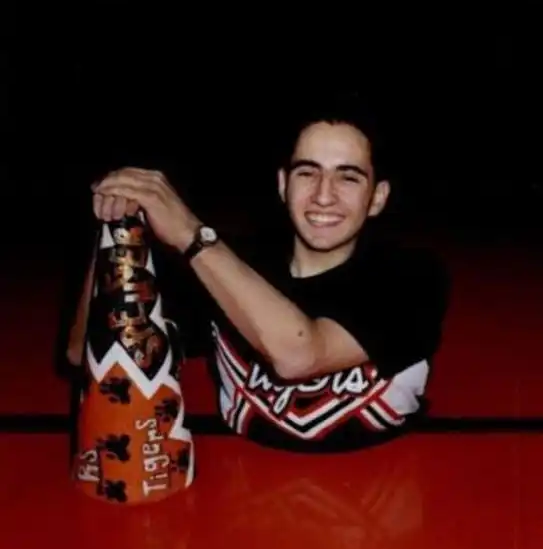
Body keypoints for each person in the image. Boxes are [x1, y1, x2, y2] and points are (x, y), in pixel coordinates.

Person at [67, 93, 449, 453]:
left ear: (377, 197)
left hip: (387, 480)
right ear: (283, 184)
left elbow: (299, 356)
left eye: (348, 177)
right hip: (242, 483)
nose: (323, 196)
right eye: (307, 173)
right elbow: (85, 352)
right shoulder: (227, 266)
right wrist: (116, 231)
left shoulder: (412, 276)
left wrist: (190, 234)